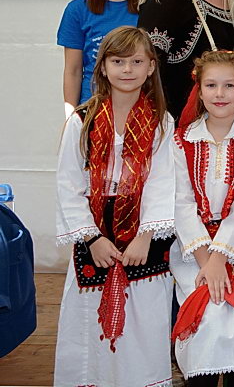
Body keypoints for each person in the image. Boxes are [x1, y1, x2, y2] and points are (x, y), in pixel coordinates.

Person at [55, 26, 175, 387]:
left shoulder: (161, 122)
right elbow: (68, 186)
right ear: (103, 67)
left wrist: (145, 236)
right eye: (118, 61)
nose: (127, 69)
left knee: (143, 330)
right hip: (95, 235)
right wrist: (92, 239)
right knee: (89, 329)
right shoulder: (82, 121)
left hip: (143, 238)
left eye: (136, 62)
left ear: (151, 67)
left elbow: (162, 183)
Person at [169, 50, 234, 386]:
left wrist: (220, 258)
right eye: (211, 85)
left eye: (229, 85)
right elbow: (181, 202)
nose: (220, 93)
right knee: (204, 322)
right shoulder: (181, 139)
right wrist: (206, 260)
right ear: (199, 91)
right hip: (193, 250)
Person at [58, 0, 142, 112]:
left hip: (141, 113)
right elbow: (73, 71)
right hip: (93, 111)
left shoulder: (151, 7)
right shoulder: (77, 10)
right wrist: (71, 118)